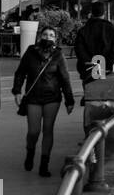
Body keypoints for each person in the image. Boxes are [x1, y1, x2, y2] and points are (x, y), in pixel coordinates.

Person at [12, 26, 75, 177]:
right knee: (33, 131)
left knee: (48, 130)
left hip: (52, 97)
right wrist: (17, 90)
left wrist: (69, 100)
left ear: (55, 39)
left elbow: (65, 78)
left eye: (51, 35)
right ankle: (30, 151)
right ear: (40, 36)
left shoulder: (58, 55)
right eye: (45, 34)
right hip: (33, 97)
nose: (48, 37)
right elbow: (20, 72)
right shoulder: (30, 52)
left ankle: (44, 164)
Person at [73, 2, 114, 87]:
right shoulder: (112, 29)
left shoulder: (83, 30)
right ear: (104, 13)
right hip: (107, 70)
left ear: (91, 12)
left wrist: (91, 64)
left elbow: (79, 50)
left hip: (88, 69)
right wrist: (107, 65)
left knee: (89, 94)